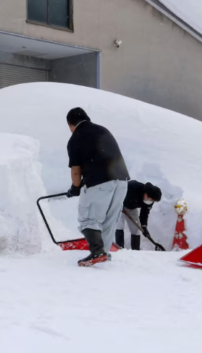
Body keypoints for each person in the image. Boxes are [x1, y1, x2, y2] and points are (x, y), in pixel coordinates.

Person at [65, 107, 130, 267]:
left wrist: (75, 187)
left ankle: (97, 251)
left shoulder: (76, 138)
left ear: (70, 124)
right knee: (109, 219)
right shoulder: (103, 130)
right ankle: (103, 253)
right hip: (122, 180)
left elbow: (76, 170)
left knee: (88, 219)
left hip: (99, 181)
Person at [115, 181, 163, 251]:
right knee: (119, 224)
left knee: (136, 228)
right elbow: (118, 192)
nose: (152, 202)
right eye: (151, 199)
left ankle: (135, 250)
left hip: (131, 208)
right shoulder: (133, 187)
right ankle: (119, 248)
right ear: (146, 195)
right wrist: (119, 204)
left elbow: (144, 213)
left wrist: (144, 226)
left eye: (153, 201)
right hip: (119, 205)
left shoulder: (149, 201)